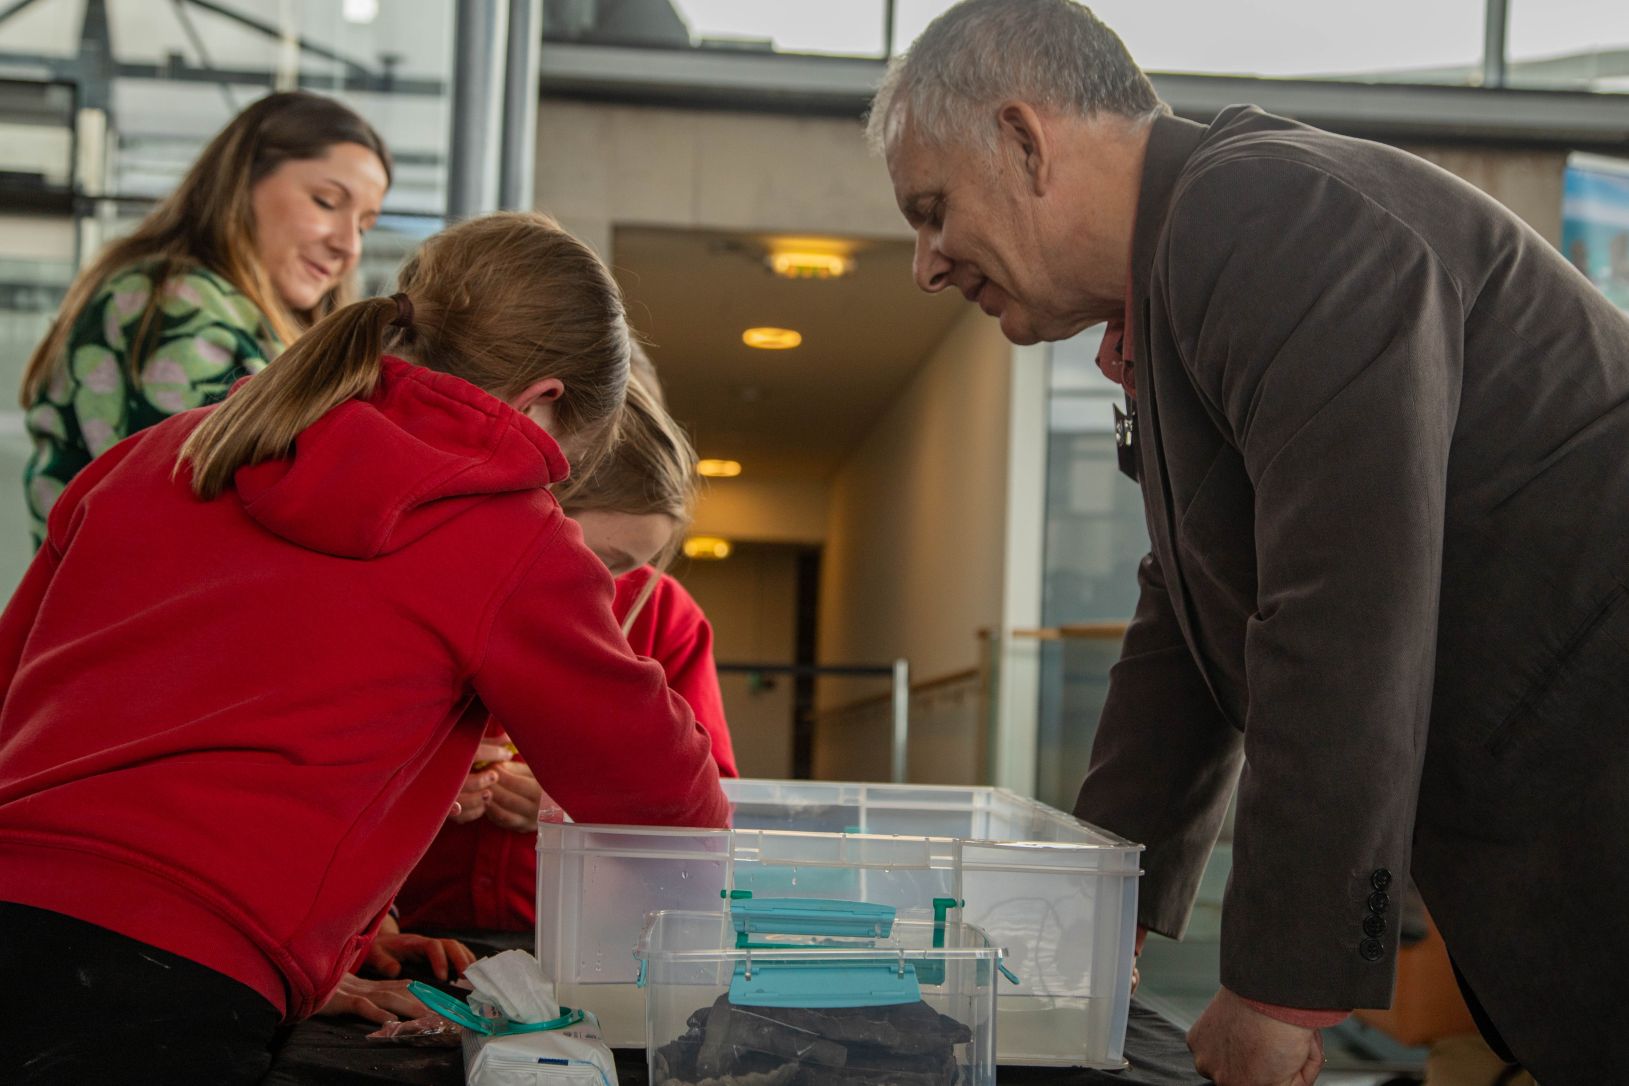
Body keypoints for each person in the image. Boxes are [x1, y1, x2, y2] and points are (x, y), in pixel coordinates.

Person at [868, 2, 1629, 1084]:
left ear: (1026, 142)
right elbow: (1185, 621)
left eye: (932, 211)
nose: (926, 264)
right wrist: (1094, 912)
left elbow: (1344, 611)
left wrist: (1278, 991)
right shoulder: (1191, 268)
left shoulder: (1266, 212)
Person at [0, 210, 729, 1084]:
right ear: (543, 401)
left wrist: (320, 954)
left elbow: (20, 689)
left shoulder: (160, 452)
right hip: (173, 977)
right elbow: (673, 806)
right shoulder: (505, 533)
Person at [395, 362, 737, 932]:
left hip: (580, 937)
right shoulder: (451, 588)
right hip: (407, 924)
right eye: (596, 563)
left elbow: (705, 813)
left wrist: (575, 815)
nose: (602, 590)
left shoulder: (666, 616)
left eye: (629, 572)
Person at [19, 91, 391, 544]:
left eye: (365, 226)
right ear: (243, 181)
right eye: (326, 202)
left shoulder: (237, 312)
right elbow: (211, 512)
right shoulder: (170, 299)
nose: (349, 246)